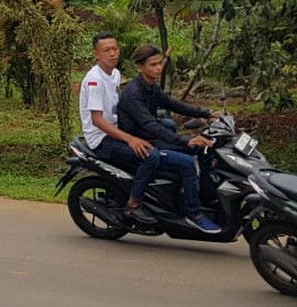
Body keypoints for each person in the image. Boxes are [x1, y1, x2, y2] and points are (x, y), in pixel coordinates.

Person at [78, 34, 218, 232]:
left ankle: (197, 197)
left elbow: (171, 104)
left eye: (115, 49)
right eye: (106, 50)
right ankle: (134, 205)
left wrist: (206, 114)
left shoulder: (117, 75)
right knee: (151, 155)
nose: (112, 53)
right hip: (102, 138)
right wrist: (132, 139)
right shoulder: (95, 81)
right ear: (96, 54)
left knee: (170, 127)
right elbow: (98, 120)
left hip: (120, 130)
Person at [115, 45, 222, 233]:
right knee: (187, 163)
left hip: (153, 138)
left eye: (160, 64)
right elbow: (150, 125)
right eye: (153, 65)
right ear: (140, 67)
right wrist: (184, 140)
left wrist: (207, 114)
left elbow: (173, 104)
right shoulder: (134, 93)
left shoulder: (150, 87)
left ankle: (204, 197)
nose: (158, 68)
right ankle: (194, 213)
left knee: (205, 149)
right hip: (142, 144)